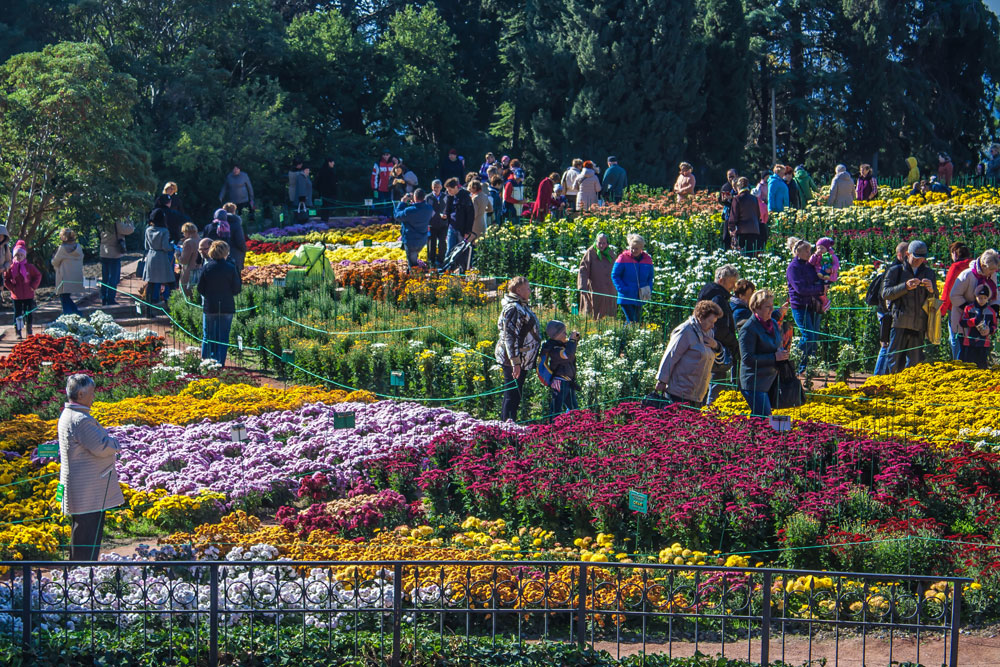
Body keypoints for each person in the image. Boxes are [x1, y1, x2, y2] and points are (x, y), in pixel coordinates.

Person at [59, 374, 125, 561]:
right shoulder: (81, 419)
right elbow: (101, 447)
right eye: (91, 393)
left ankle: (77, 575)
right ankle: (80, 577)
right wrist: (115, 442)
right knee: (87, 536)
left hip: (81, 487)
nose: (93, 397)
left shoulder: (69, 414)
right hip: (88, 490)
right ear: (81, 394)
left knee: (82, 534)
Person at [881, 239, 939, 373]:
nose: (919, 261)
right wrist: (905, 286)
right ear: (907, 254)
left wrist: (932, 291)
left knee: (915, 363)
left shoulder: (929, 273)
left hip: (919, 324)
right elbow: (885, 293)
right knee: (894, 360)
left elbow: (934, 300)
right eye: (916, 257)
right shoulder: (895, 271)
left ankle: (909, 389)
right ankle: (892, 388)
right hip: (899, 322)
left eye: (922, 258)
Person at [654, 300, 722, 406]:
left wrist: (716, 346)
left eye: (714, 322)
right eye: (710, 322)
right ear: (700, 317)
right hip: (679, 393)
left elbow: (713, 357)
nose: (713, 326)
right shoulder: (685, 331)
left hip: (698, 395)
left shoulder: (709, 333)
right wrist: (662, 381)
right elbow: (671, 356)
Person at [494, 276, 541, 422]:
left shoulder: (520, 305)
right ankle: (507, 428)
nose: (530, 291)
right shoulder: (513, 308)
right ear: (519, 290)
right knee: (512, 395)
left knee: (515, 394)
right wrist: (515, 362)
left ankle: (509, 425)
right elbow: (510, 336)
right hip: (514, 360)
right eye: (528, 288)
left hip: (521, 359)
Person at [738, 289, 788, 417]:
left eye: (773, 306)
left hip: (770, 381)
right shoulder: (748, 329)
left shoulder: (773, 324)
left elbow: (776, 345)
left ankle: (749, 436)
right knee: (764, 419)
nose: (772, 310)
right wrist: (774, 357)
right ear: (756, 307)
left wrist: (782, 352)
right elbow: (747, 359)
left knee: (760, 420)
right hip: (754, 383)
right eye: (768, 307)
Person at [698, 265, 739, 405]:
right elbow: (719, 328)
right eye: (731, 282)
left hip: (708, 344)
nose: (733, 287)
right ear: (721, 280)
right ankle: (711, 417)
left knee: (706, 382)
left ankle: (702, 412)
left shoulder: (711, 293)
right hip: (716, 347)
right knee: (715, 383)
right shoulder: (717, 297)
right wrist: (733, 341)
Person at [948, 248, 1000, 358]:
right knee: (963, 353)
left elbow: (995, 293)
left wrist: (994, 311)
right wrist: (970, 309)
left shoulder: (991, 275)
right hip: (964, 318)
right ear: (983, 265)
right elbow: (954, 296)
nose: (992, 273)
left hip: (983, 320)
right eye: (990, 270)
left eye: (994, 270)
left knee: (980, 355)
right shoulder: (967, 275)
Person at [786, 237, 827, 373]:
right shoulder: (793, 268)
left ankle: (807, 367)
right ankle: (792, 360)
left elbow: (816, 280)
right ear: (798, 252)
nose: (810, 253)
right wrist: (820, 289)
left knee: (814, 339)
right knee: (808, 337)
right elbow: (800, 289)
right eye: (807, 250)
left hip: (812, 306)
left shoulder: (808, 266)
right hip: (800, 306)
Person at [198, 240, 242, 367]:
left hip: (210, 305)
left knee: (208, 334)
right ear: (225, 252)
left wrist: (209, 294)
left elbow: (200, 288)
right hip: (226, 305)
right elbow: (237, 288)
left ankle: (205, 361)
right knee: (223, 336)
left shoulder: (207, 267)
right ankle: (220, 362)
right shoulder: (230, 267)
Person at [873, 241, 910, 375]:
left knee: (892, 345)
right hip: (887, 313)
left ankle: (884, 375)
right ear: (900, 254)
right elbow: (885, 294)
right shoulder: (894, 270)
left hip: (891, 313)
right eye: (907, 253)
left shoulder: (902, 268)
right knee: (886, 345)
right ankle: (877, 377)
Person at [538, 320, 580, 416]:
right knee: (556, 408)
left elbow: (570, 353)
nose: (566, 334)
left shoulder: (561, 345)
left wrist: (574, 340)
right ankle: (553, 428)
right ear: (556, 335)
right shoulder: (554, 349)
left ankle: (575, 426)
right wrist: (572, 341)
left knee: (574, 408)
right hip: (560, 382)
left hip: (568, 381)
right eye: (563, 332)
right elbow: (568, 355)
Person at [611, 234, 654, 324]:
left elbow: (650, 277)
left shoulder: (648, 259)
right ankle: (625, 336)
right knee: (632, 321)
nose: (634, 250)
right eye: (632, 248)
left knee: (636, 321)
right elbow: (615, 275)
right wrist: (623, 289)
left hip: (641, 295)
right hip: (626, 296)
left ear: (641, 248)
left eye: (637, 248)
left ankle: (625, 336)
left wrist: (648, 289)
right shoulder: (622, 258)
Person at [941, 242, 973, 359]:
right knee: (969, 336)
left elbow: (948, 289)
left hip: (955, 308)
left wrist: (942, 311)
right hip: (972, 306)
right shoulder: (974, 266)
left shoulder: (955, 267)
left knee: (954, 337)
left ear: (954, 253)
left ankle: (957, 362)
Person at [5, 241, 41, 338]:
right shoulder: (11, 268)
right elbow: (5, 279)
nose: (19, 257)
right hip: (16, 295)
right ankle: (18, 331)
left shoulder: (29, 267)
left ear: (25, 256)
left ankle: (29, 330)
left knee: (28, 312)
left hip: (28, 294)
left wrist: (33, 286)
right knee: (18, 314)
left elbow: (38, 276)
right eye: (17, 255)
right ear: (13, 256)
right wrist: (12, 288)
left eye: (21, 254)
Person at [577, 233, 617, 319]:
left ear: (607, 243)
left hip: (609, 290)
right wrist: (582, 287)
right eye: (599, 243)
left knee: (608, 313)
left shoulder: (610, 253)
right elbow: (583, 270)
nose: (602, 245)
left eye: (604, 243)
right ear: (596, 242)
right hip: (595, 288)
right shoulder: (590, 252)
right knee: (593, 311)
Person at [142, 206, 175, 309]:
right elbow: (165, 246)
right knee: (170, 282)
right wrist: (172, 247)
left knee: (151, 284)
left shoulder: (148, 230)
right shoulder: (164, 231)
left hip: (151, 256)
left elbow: (146, 246)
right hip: (161, 257)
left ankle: (149, 310)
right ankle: (171, 305)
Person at [957, 285, 997, 368]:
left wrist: (989, 330)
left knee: (982, 366)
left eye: (984, 298)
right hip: (969, 342)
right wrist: (973, 321)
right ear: (976, 297)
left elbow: (995, 326)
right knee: (968, 365)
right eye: (980, 297)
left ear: (988, 299)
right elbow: (962, 322)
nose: (982, 300)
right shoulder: (969, 308)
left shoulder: (991, 311)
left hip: (983, 343)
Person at [395, 189, 433, 269]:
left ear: (415, 197)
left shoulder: (409, 211)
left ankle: (414, 278)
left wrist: (402, 202)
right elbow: (419, 211)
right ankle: (412, 275)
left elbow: (397, 216)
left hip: (411, 240)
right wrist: (414, 204)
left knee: (412, 265)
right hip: (422, 240)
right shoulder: (429, 209)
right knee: (413, 260)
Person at [52, 228, 85, 316]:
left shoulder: (62, 248)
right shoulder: (78, 247)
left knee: (64, 298)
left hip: (64, 277)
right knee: (66, 297)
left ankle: (72, 315)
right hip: (74, 276)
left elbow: (55, 261)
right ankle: (77, 314)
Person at [728, 177, 762, 253]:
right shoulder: (754, 199)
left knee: (742, 257)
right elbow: (758, 215)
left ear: (738, 187)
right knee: (751, 255)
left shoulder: (737, 199)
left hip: (742, 231)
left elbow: (733, 216)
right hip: (754, 230)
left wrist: (731, 230)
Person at [444, 177, 474, 259]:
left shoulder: (465, 197)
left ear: (456, 187)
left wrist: (468, 231)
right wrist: (445, 215)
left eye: (450, 190)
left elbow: (470, 215)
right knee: (449, 250)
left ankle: (461, 269)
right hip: (452, 226)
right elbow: (448, 210)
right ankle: (448, 269)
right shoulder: (450, 196)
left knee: (461, 251)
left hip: (461, 228)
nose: (448, 192)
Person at [809, 237, 840, 313]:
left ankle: (825, 301)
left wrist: (831, 270)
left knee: (823, 289)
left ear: (827, 248)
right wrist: (815, 255)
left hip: (828, 276)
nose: (820, 250)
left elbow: (836, 265)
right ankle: (822, 301)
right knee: (818, 288)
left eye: (822, 248)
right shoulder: (817, 256)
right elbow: (811, 262)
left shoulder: (831, 256)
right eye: (818, 248)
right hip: (818, 276)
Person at [426, 180, 449, 269]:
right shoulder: (428, 197)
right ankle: (431, 262)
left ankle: (441, 260)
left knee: (442, 243)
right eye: (434, 187)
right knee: (432, 243)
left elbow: (448, 208)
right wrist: (436, 215)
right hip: (432, 225)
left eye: (438, 187)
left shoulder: (445, 196)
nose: (436, 189)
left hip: (443, 224)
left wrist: (446, 215)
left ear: (441, 187)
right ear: (432, 187)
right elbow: (427, 210)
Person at [177, 222, 202, 294]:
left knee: (186, 293)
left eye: (184, 232)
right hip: (199, 270)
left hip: (189, 272)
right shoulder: (200, 240)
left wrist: (177, 254)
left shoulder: (188, 242)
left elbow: (184, 261)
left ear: (187, 232)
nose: (183, 235)